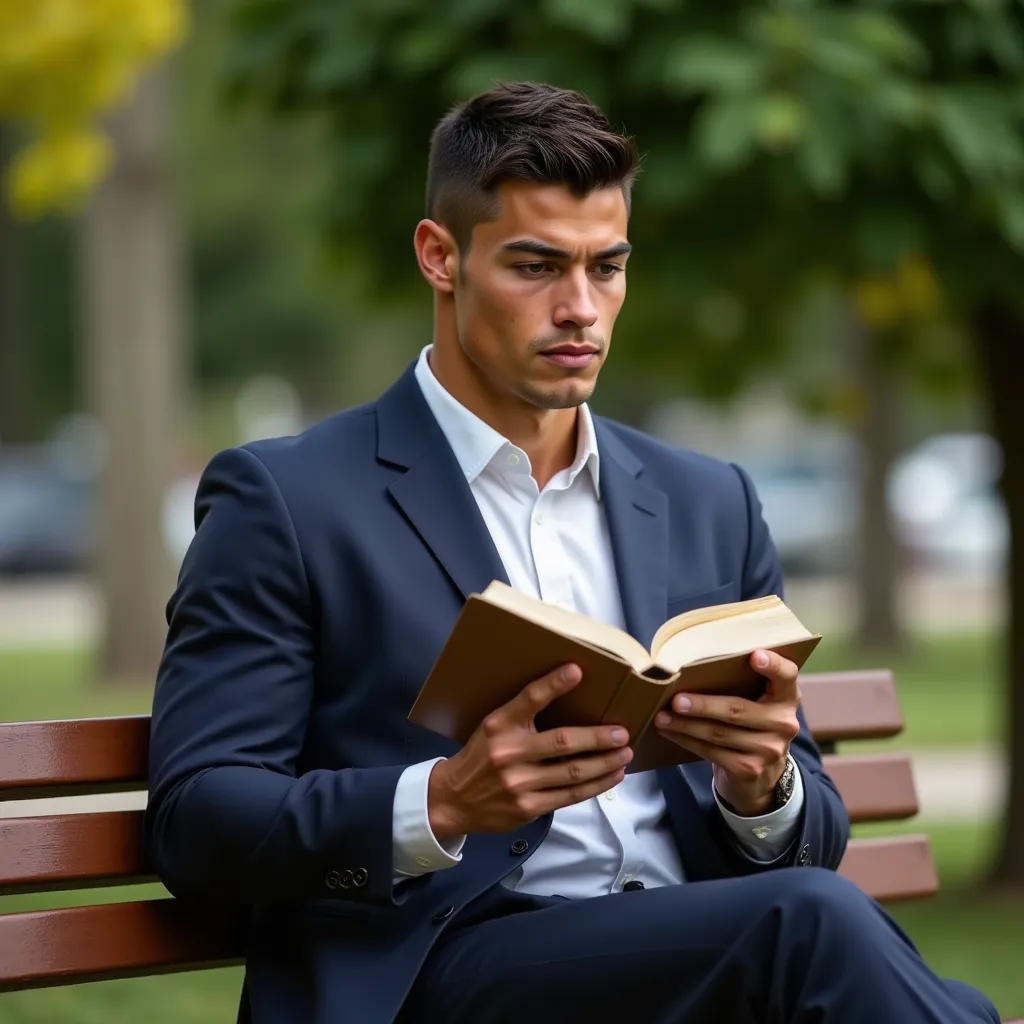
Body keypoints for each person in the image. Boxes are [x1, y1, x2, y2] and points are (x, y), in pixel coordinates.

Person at [145, 82, 999, 1024]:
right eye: (537, 266)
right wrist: (443, 800)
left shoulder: (708, 499)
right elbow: (199, 820)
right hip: (444, 974)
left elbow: (810, 836)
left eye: (608, 267)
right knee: (814, 930)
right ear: (441, 258)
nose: (581, 309)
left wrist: (763, 786)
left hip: (698, 960)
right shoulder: (291, 500)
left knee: (838, 942)